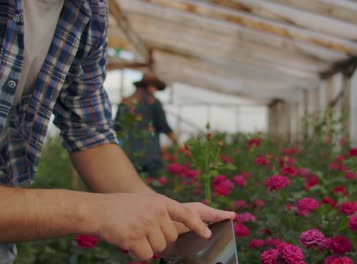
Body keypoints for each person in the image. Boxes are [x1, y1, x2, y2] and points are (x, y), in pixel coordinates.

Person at [0, 1, 235, 263]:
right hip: (145, 152)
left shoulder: (87, 11)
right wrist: (98, 212)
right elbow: (160, 128)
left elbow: (91, 136)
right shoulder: (148, 105)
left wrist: (161, 212)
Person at [115, 73, 177, 179]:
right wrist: (176, 142)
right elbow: (163, 125)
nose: (155, 90)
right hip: (149, 150)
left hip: (128, 151)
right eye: (155, 87)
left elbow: (116, 125)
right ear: (149, 87)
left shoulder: (125, 102)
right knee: (151, 181)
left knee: (130, 180)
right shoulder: (154, 102)